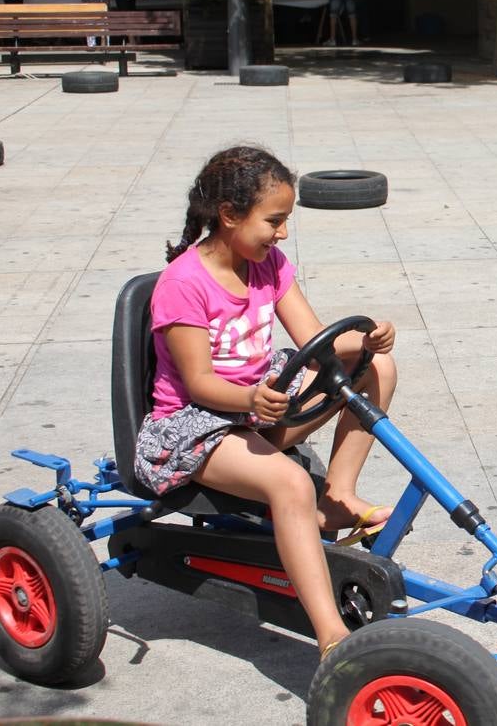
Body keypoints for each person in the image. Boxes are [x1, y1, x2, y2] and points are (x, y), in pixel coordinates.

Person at [134, 145, 398, 660]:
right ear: (229, 216)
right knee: (290, 481)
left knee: (377, 369)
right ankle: (330, 636)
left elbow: (315, 339)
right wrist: (251, 397)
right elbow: (199, 384)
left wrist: (368, 339)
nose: (282, 233)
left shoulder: (268, 263)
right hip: (196, 424)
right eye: (274, 221)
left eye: (286, 221)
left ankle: (337, 496)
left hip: (258, 404)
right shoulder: (184, 284)